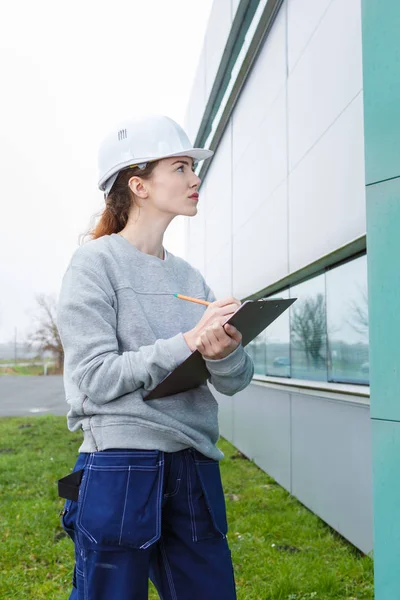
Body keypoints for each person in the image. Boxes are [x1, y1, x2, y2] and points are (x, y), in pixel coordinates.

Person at [56, 114, 254, 600]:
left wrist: (224, 350)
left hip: (194, 464)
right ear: (138, 184)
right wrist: (188, 341)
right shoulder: (94, 264)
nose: (195, 179)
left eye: (193, 168)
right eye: (182, 167)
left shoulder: (191, 279)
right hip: (121, 465)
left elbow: (234, 381)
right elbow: (95, 378)